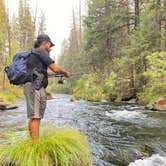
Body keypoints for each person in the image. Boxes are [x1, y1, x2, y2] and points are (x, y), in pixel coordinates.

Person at [24, 34, 71, 141]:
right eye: (50, 46)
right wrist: (65, 73)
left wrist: (57, 74)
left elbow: (46, 72)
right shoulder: (40, 51)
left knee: (35, 116)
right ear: (45, 43)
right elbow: (55, 68)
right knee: (35, 116)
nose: (50, 48)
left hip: (37, 86)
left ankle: (32, 142)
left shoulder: (37, 54)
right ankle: (35, 146)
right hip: (33, 86)